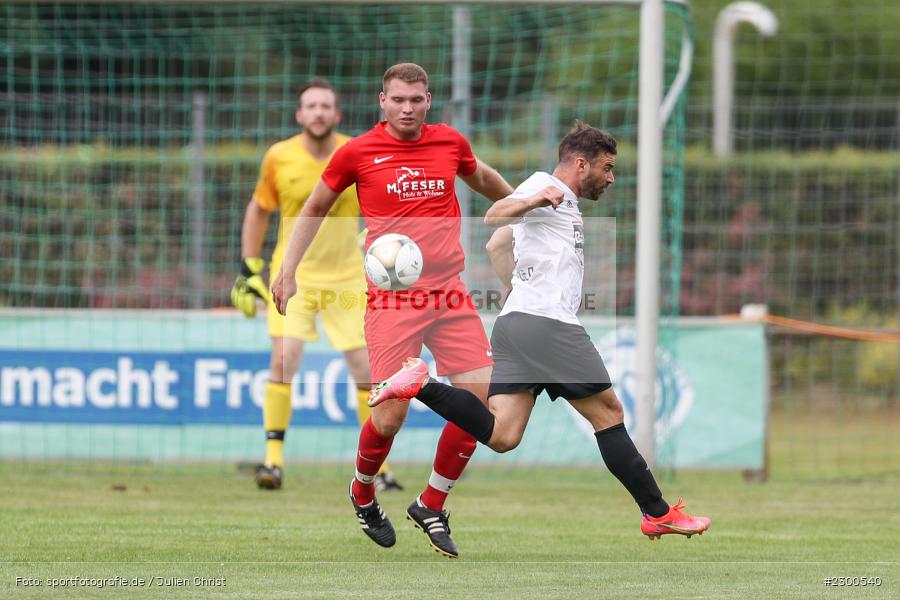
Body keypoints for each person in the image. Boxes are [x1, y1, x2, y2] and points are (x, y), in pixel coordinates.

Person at [369, 122, 712, 541]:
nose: (611, 178)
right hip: (549, 326)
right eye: (606, 167)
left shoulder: (560, 201)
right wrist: (533, 200)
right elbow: (493, 216)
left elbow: (498, 245)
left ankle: (421, 386)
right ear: (581, 164)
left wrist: (521, 292)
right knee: (609, 414)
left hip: (519, 323)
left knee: (503, 435)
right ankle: (657, 512)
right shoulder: (544, 188)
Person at [272, 63, 514, 558]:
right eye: (398, 100)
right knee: (388, 418)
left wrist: (526, 206)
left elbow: (483, 177)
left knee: (482, 408)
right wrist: (288, 270)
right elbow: (315, 207)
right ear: (382, 101)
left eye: (416, 100)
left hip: (449, 294)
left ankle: (431, 502)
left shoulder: (449, 142)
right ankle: (362, 491)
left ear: (429, 101)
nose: (407, 108)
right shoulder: (358, 151)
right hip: (393, 299)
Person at [230, 78, 402, 493]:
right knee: (283, 361)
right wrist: (249, 268)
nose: (319, 112)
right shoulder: (279, 156)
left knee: (366, 371)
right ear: (299, 114)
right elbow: (259, 209)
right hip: (293, 277)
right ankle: (273, 462)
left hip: (349, 278)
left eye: (326, 106)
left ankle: (379, 469)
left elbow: (384, 204)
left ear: (336, 114)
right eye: (311, 106)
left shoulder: (356, 152)